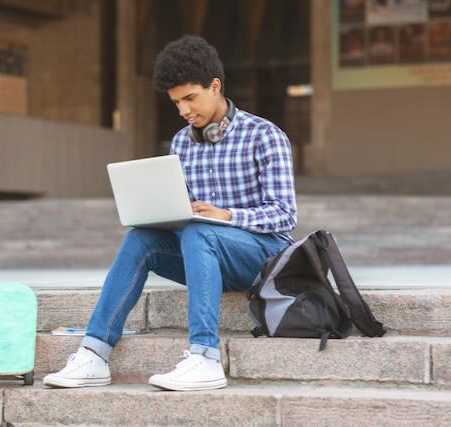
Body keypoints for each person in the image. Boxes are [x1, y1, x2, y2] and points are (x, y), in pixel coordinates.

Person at [43, 35, 297, 392]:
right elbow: (187, 215)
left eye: (190, 98)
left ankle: (205, 358)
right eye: (176, 102)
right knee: (142, 238)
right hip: (206, 253)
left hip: (264, 258)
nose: (184, 111)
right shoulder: (181, 143)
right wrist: (164, 215)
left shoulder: (265, 136)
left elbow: (285, 217)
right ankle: (94, 354)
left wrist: (225, 215)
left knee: (199, 233)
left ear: (215, 86)